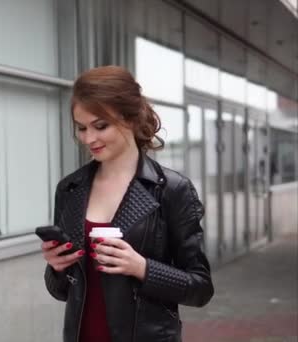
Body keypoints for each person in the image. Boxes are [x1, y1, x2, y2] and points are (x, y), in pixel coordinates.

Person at [41, 66, 214, 342]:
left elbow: (201, 288)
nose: (89, 138)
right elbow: (60, 291)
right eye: (82, 128)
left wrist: (142, 267)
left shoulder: (171, 190)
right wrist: (57, 266)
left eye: (101, 126)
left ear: (131, 119)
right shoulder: (70, 189)